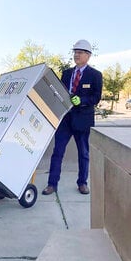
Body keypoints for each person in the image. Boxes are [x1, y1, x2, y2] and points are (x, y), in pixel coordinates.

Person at [42, 39, 103, 195]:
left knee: (83, 153)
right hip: (66, 119)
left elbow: (96, 97)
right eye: (75, 52)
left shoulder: (95, 75)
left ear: (88, 55)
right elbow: (60, 93)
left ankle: (82, 183)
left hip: (83, 120)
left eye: (80, 52)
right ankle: (52, 184)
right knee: (58, 152)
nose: (76, 55)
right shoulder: (67, 73)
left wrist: (82, 100)